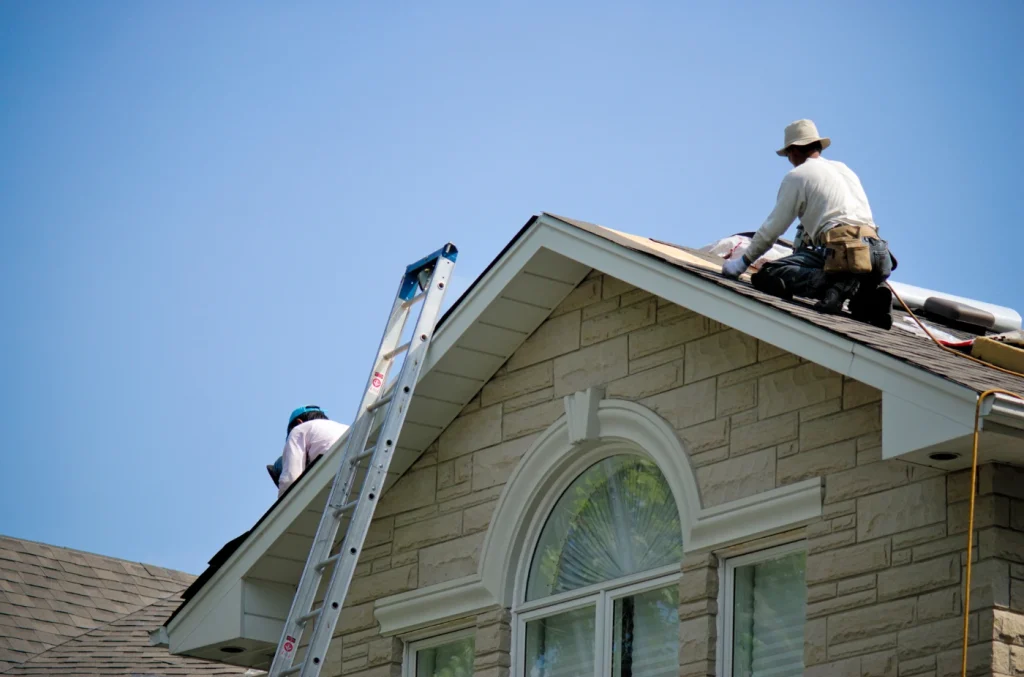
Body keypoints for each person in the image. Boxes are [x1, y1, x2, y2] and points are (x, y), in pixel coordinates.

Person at [721, 119, 896, 329]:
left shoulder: (799, 176)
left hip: (843, 252)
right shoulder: (843, 169)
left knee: (770, 273)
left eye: (788, 155)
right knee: (857, 300)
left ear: (794, 150)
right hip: (877, 254)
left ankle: (833, 284)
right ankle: (868, 295)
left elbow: (773, 229)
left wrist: (742, 263)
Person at [269, 405, 349, 498]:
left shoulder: (299, 429)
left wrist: (281, 507)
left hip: (334, 470)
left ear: (299, 422)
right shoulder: (342, 426)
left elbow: (291, 478)